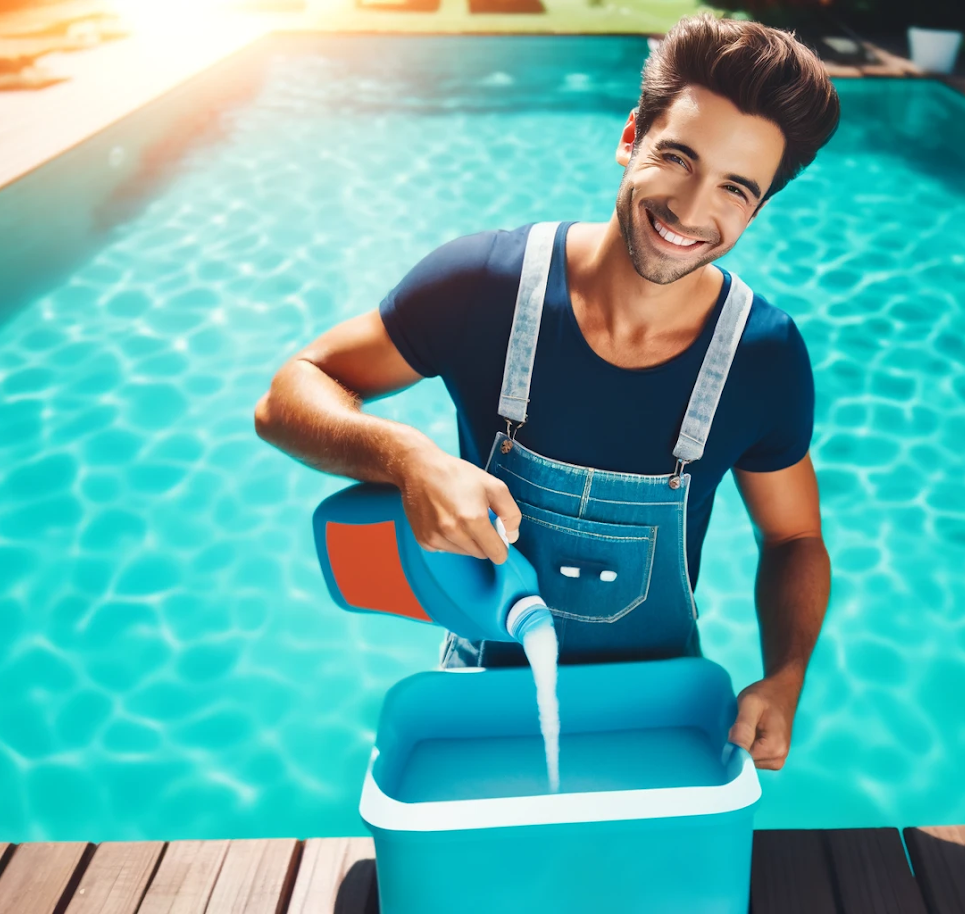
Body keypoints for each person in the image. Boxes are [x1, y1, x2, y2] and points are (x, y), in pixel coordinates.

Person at [255, 13, 838, 771]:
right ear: (631, 135)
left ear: (758, 206)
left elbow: (794, 538)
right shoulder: (482, 287)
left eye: (735, 187)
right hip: (480, 694)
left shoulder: (762, 357)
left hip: (657, 711)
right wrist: (406, 456)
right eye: (678, 157)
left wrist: (786, 678)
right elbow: (288, 395)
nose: (694, 211)